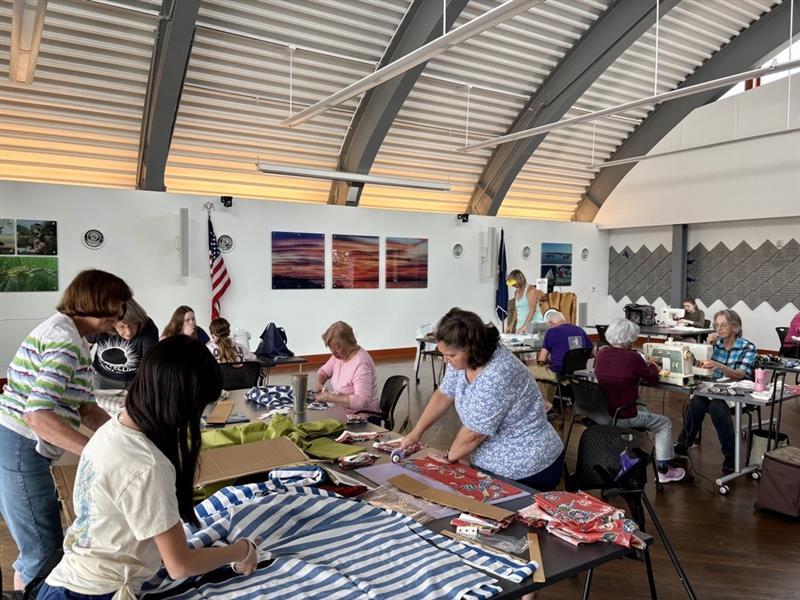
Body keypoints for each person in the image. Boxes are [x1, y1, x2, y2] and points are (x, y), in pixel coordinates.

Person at [39, 336, 258, 599]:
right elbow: (180, 565)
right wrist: (242, 550)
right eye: (200, 409)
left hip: (64, 581)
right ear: (181, 404)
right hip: (94, 592)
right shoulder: (148, 465)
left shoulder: (112, 428)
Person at [0, 269, 132, 591]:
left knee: (38, 547)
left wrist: (123, 435)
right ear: (95, 300)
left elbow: (85, 408)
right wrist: (97, 453)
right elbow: (37, 415)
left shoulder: (74, 338)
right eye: (116, 305)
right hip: (20, 444)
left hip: (19, 443)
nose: (119, 314)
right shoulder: (64, 341)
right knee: (43, 552)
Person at [400, 308, 564, 490]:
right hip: (493, 463)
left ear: (471, 348)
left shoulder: (498, 372)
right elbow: (444, 393)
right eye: (444, 353)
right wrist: (415, 433)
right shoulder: (463, 359)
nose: (446, 360)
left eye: (451, 355)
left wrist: (448, 457)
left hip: (527, 467)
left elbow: (474, 433)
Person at [594, 318, 685, 483]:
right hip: (625, 415)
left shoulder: (601, 354)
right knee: (664, 423)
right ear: (629, 338)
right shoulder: (633, 358)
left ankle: (632, 452)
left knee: (640, 403)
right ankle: (663, 469)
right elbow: (653, 380)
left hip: (604, 414)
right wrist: (652, 366)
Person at [675, 309, 757, 473]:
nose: (718, 329)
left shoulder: (748, 347)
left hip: (738, 392)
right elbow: (698, 365)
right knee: (697, 401)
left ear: (735, 327)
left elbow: (740, 375)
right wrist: (707, 347)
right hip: (714, 389)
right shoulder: (715, 344)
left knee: (717, 407)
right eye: (716, 325)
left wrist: (719, 365)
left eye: (723, 325)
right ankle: (684, 444)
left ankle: (730, 454)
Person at [88, 299, 159, 390]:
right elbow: (84, 348)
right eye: (122, 326)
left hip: (134, 380)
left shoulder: (147, 326)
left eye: (133, 324)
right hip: (102, 376)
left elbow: (149, 364)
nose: (129, 333)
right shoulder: (102, 323)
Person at [529, 310, 593, 409]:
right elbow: (590, 352)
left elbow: (541, 359)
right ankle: (548, 402)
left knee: (530, 371)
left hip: (559, 373)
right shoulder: (580, 330)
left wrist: (551, 358)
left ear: (550, 323)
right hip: (576, 372)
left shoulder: (552, 332)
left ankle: (543, 405)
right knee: (548, 371)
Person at [314, 321, 379, 416]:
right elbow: (324, 372)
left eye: (337, 348)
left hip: (363, 418)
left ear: (349, 343)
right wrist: (319, 383)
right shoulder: (340, 356)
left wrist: (330, 397)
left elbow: (361, 401)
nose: (333, 353)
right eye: (331, 348)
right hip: (343, 411)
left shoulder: (361, 365)